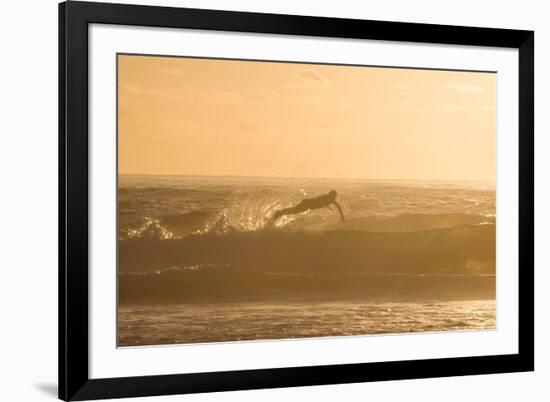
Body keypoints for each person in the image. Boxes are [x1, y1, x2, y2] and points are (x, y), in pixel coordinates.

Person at [271, 190, 345, 222]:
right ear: (331, 195)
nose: (334, 198)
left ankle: (279, 213)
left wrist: (341, 216)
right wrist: (327, 205)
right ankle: (279, 213)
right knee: (294, 211)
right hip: (307, 204)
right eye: (334, 196)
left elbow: (339, 207)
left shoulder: (330, 200)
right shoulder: (326, 198)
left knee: (294, 211)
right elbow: (319, 202)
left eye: (334, 197)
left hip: (307, 204)